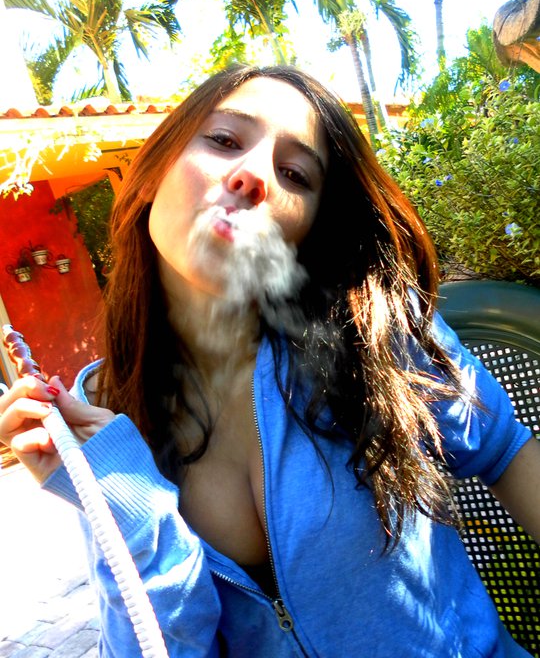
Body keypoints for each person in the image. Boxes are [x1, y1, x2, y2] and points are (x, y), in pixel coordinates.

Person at [1, 64, 539, 658]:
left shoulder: (369, 325)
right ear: (152, 174)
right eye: (224, 139)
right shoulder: (100, 410)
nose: (254, 175)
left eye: (295, 174)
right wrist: (130, 508)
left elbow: (505, 451)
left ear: (305, 230)